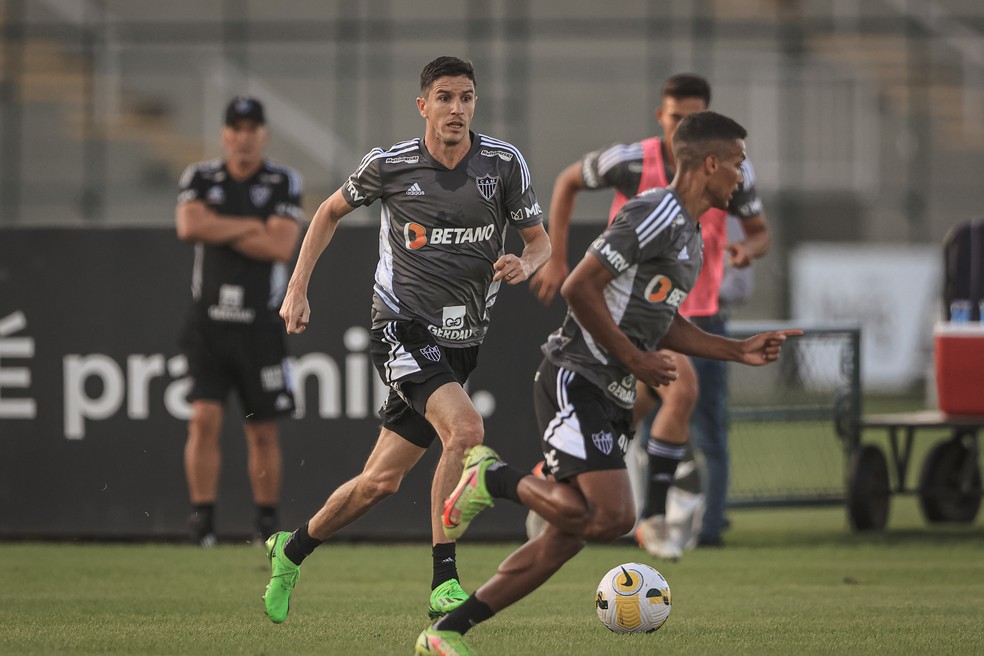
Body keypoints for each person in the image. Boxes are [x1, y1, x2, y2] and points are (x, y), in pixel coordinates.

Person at [416, 110, 801, 656]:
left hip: (611, 389)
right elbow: (578, 286)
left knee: (565, 538)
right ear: (710, 163)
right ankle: (491, 478)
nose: (743, 177)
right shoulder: (654, 212)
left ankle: (445, 632)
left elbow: (657, 320)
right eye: (738, 164)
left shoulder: (690, 233)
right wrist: (637, 361)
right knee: (615, 517)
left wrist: (734, 350)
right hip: (577, 377)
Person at [261, 56, 550, 624]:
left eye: (466, 98)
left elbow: (538, 241)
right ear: (423, 106)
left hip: (461, 340)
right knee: (466, 429)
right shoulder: (390, 165)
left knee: (380, 483)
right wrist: (296, 289)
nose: (457, 109)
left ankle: (290, 550)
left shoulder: (503, 164)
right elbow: (326, 212)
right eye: (444, 98)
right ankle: (445, 578)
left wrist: (527, 262)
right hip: (399, 326)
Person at [529, 73, 771, 557]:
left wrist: (746, 256)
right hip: (630, 320)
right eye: (675, 116)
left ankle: (553, 479)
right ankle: (656, 518)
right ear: (662, 117)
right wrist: (554, 256)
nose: (680, 124)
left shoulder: (715, 195)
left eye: (691, 117)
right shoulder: (644, 181)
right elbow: (568, 183)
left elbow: (759, 231)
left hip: (687, 312)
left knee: (649, 420)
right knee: (682, 393)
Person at [175, 96, 305, 547]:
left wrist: (221, 225)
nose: (244, 136)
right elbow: (190, 226)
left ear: (263, 135)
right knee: (203, 421)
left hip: (259, 325)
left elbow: (281, 245)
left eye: (252, 128)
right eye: (236, 128)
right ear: (225, 134)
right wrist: (252, 227)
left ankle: (266, 527)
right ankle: (202, 523)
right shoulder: (200, 176)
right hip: (208, 325)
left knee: (262, 429)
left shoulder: (283, 179)